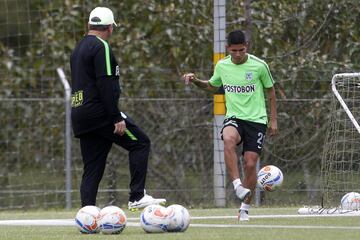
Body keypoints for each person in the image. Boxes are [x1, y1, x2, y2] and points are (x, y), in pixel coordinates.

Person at [70, 6, 165, 210]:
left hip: (79, 113)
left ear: (89, 25)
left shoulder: (78, 48)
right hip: (100, 113)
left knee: (93, 167)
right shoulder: (101, 46)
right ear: (110, 28)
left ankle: (87, 214)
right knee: (140, 143)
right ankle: (137, 196)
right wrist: (115, 117)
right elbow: (106, 83)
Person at [182, 30, 277, 221]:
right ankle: (236, 185)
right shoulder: (222, 65)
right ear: (228, 49)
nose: (238, 54)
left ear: (247, 46)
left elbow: (271, 92)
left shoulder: (260, 66)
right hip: (234, 116)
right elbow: (212, 86)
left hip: (257, 120)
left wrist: (273, 120)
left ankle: (244, 208)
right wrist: (196, 81)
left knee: (250, 164)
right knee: (228, 138)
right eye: (234, 51)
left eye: (241, 50)